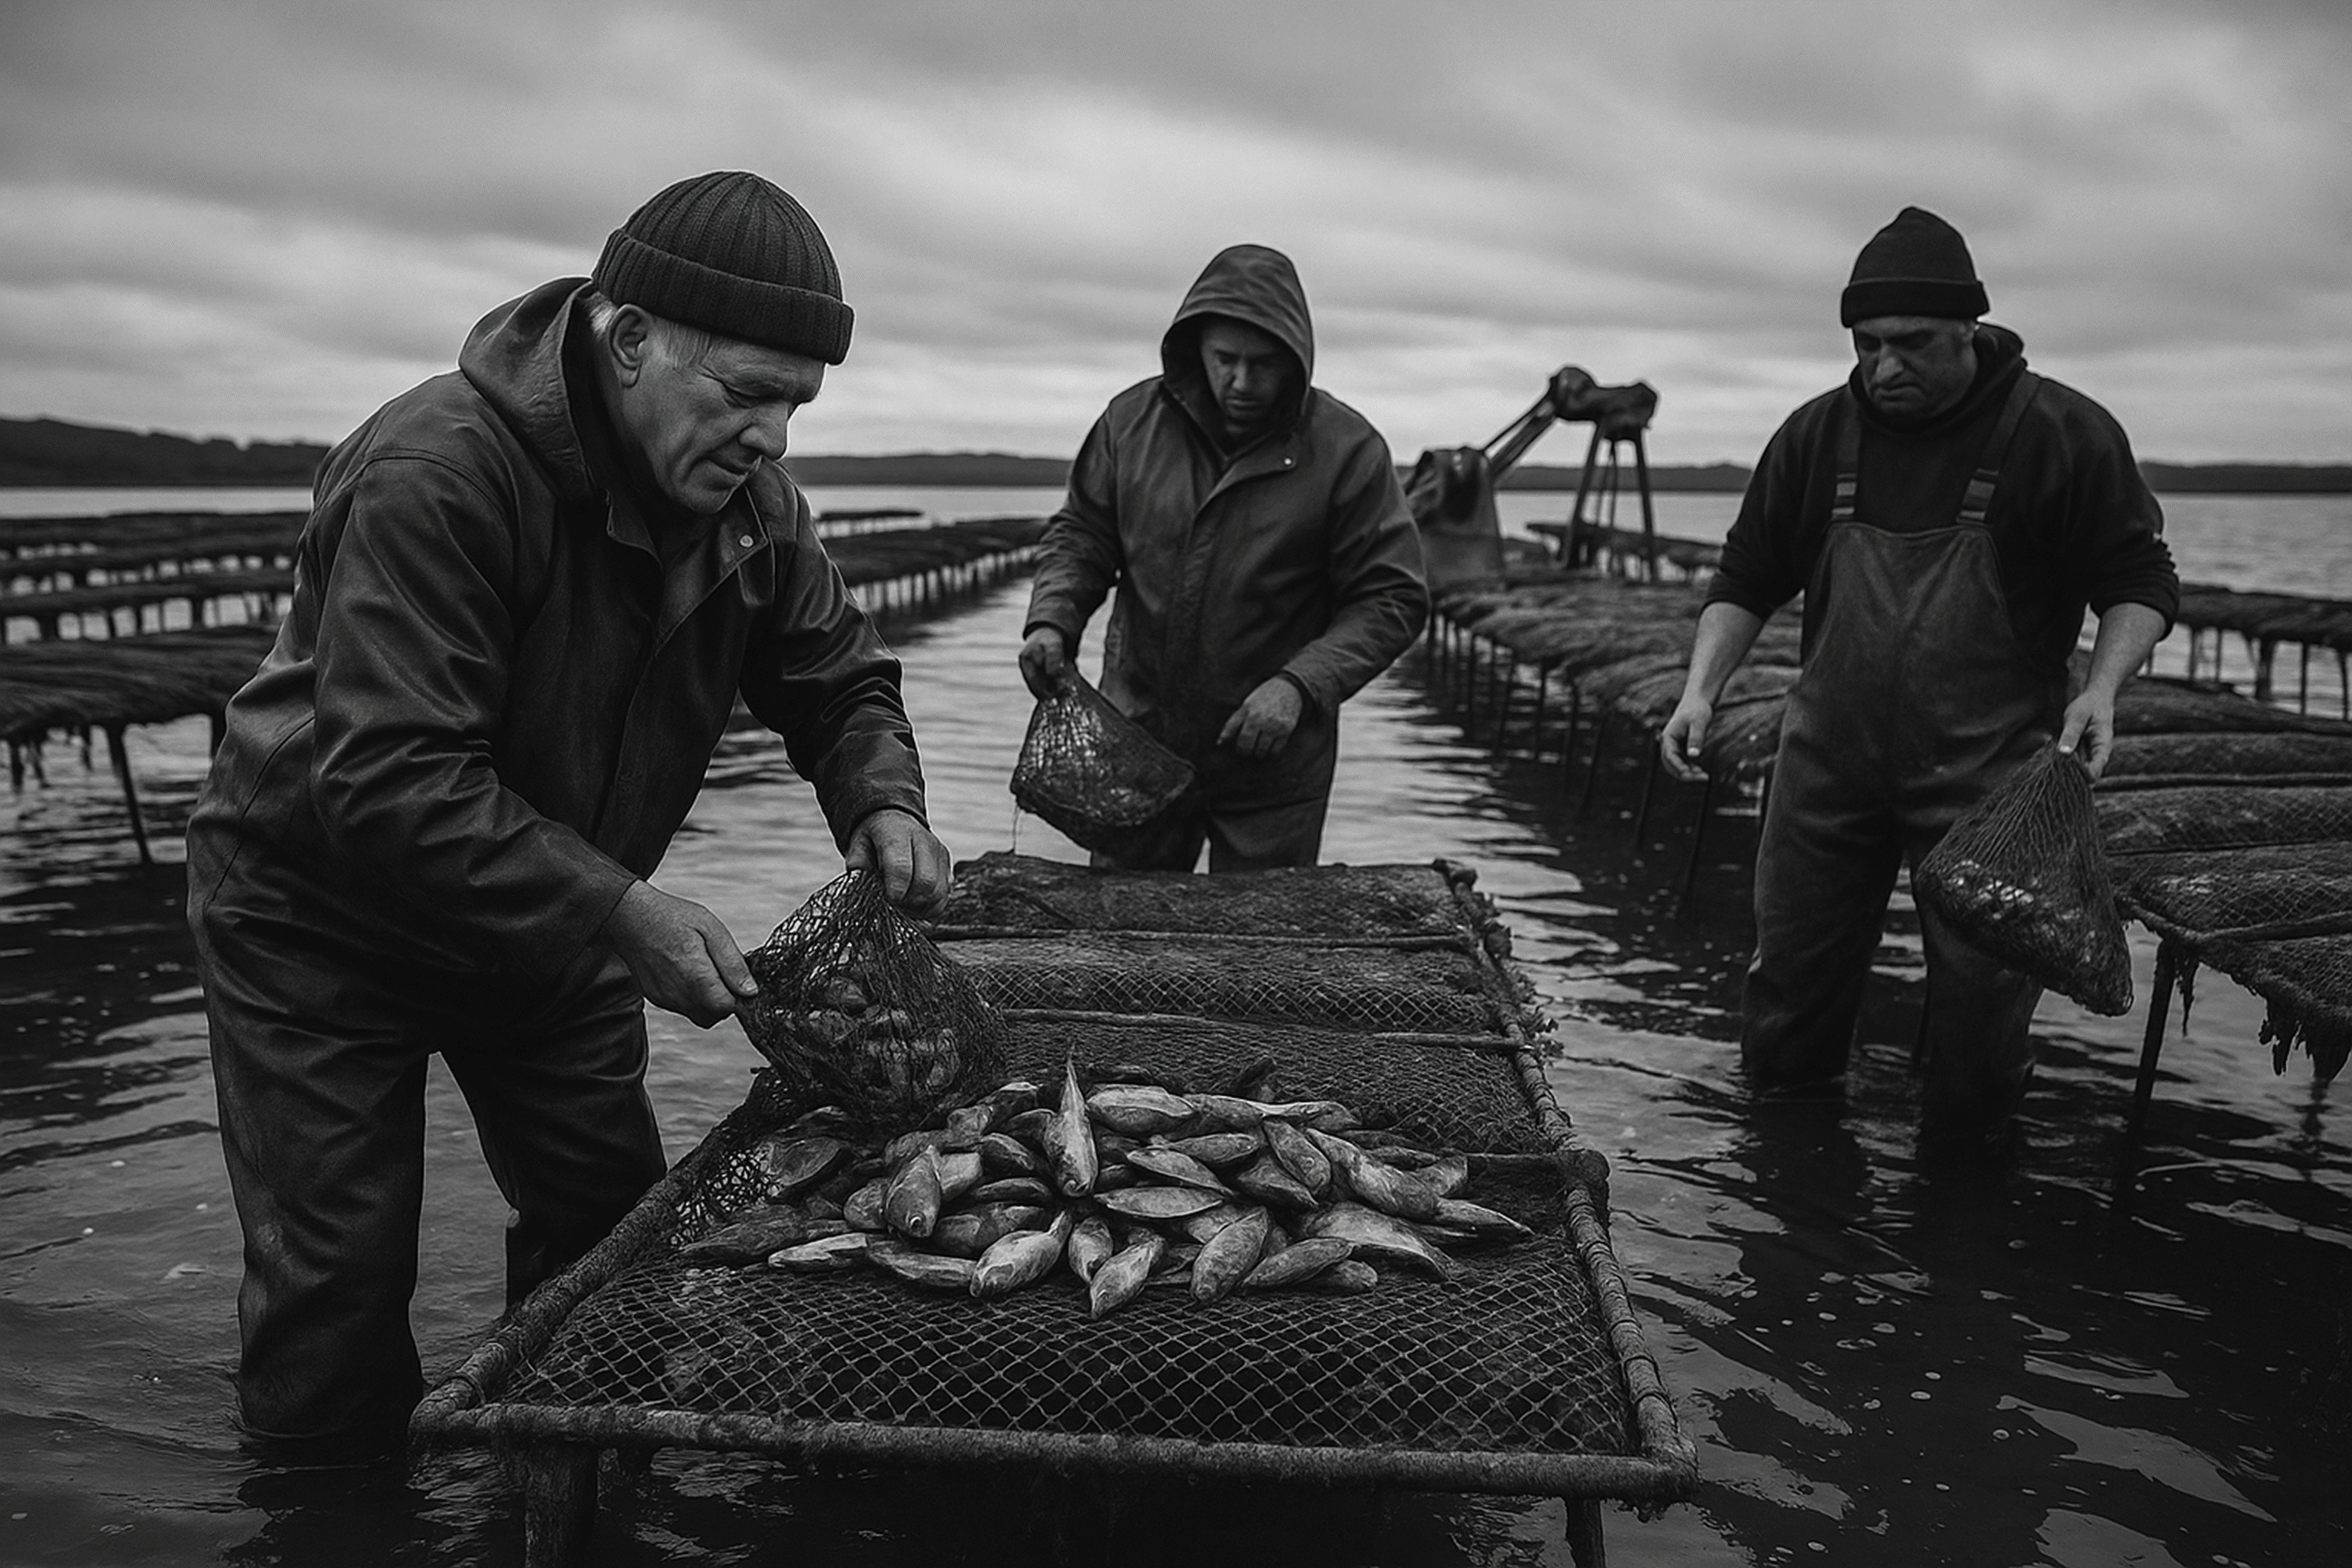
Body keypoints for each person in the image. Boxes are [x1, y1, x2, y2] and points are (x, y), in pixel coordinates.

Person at [186, 171, 951, 1459]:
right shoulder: (439, 469)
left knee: (607, 1239)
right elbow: (389, 773)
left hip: (548, 919)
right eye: (745, 393)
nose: (771, 437)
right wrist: (618, 910)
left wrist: (882, 795)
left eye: (797, 405)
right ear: (629, 337)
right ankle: (329, 1516)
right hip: (317, 924)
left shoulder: (755, 512)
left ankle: (570, 1508)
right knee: (335, 1290)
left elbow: (841, 682)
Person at [1658, 206, 2177, 1142]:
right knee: (1788, 1003)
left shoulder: (2060, 431)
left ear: (1969, 329)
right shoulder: (1816, 435)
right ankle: (1785, 1183)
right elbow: (1747, 575)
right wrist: (1702, 689)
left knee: (1980, 1026)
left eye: (1910, 344)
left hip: (1990, 785)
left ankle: (1964, 1188)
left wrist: (2102, 689)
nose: (1882, 366)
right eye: (1865, 345)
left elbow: (2137, 580)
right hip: (1825, 767)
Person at [1018, 243, 1429, 871]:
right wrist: (1052, 620)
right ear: (1196, 348)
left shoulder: (1349, 451)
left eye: (1262, 365)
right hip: (1138, 744)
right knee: (1125, 921)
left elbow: (1392, 598)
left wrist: (1299, 685)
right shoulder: (1129, 424)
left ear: (1295, 360)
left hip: (1274, 761)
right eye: (1225, 360)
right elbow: (1082, 535)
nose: (1240, 381)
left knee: (1264, 928)